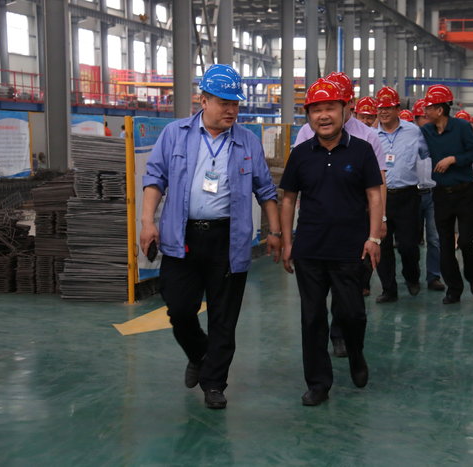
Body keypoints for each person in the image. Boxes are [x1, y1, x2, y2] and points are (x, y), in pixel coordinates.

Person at [140, 64, 281, 409]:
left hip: (228, 240)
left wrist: (276, 232)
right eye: (223, 103)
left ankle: (214, 383)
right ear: (203, 101)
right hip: (182, 237)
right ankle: (198, 353)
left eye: (235, 103)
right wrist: (147, 222)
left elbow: (266, 190)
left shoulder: (247, 141)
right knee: (179, 309)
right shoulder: (175, 134)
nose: (231, 110)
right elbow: (155, 178)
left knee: (224, 317)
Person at [279, 78, 383, 406]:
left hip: (350, 248)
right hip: (310, 248)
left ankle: (356, 352)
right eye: (316, 110)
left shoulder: (362, 150)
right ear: (309, 115)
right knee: (312, 318)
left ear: (344, 110)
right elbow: (288, 199)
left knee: (352, 314)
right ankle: (318, 383)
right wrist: (287, 241)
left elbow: (374, 194)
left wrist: (374, 237)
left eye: (330, 108)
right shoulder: (300, 154)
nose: (323, 116)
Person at [420, 84, 473, 304]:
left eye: (429, 107)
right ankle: (454, 289)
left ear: (440, 109)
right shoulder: (426, 131)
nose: (425, 111)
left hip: (465, 192)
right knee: (445, 245)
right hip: (441, 194)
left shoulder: (462, 127)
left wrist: (453, 159)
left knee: (466, 241)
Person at [373, 86, 430, 303]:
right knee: (383, 245)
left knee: (408, 245)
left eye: (388, 108)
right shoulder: (371, 135)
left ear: (398, 109)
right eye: (380, 108)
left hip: (407, 196)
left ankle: (412, 276)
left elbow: (425, 153)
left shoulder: (413, 132)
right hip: (380, 198)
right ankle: (389, 289)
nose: (383, 112)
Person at [413, 98, 445, 292]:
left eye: (427, 116)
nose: (426, 120)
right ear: (416, 119)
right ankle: (413, 277)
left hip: (434, 193)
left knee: (434, 238)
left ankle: (433, 276)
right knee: (411, 239)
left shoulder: (440, 138)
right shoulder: (409, 139)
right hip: (412, 194)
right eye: (422, 117)